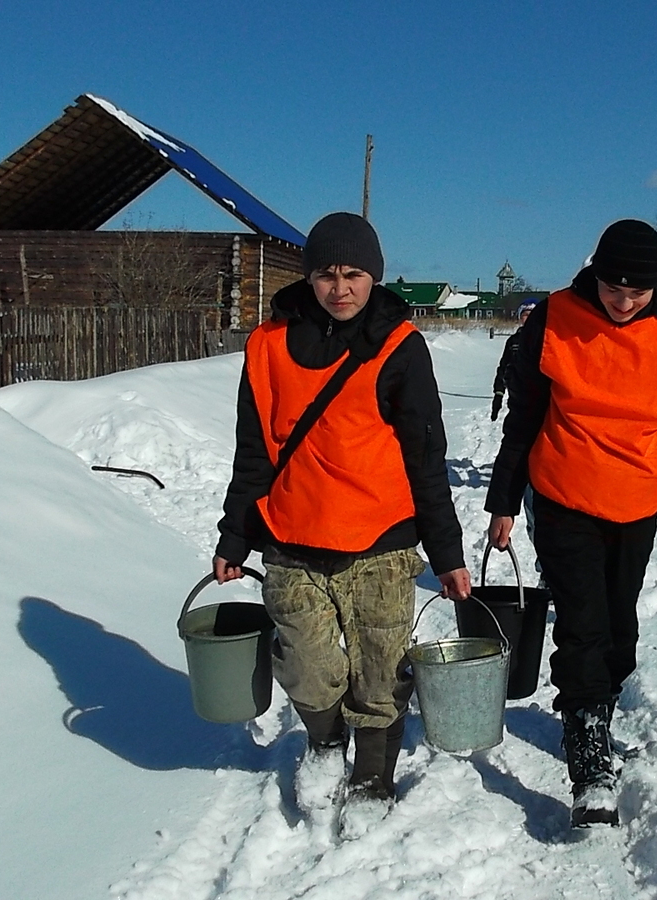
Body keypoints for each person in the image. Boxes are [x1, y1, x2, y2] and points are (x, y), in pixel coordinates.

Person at [484, 219, 657, 828]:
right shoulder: (553, 318)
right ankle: (588, 755)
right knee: (583, 621)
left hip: (635, 500)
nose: (623, 303)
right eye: (611, 289)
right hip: (562, 494)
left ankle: (598, 704)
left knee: (619, 624)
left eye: (637, 293)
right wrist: (503, 502)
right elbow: (523, 420)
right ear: (592, 273)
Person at [214, 212, 472, 811]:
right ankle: (327, 745)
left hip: (381, 543)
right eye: (326, 274)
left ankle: (374, 774)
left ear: (374, 277)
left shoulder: (400, 348)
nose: (340, 288)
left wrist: (447, 554)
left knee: (379, 671)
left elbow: (426, 459)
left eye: (354, 274)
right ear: (309, 277)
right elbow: (253, 452)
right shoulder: (267, 345)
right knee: (306, 665)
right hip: (291, 541)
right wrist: (234, 537)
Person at [491, 299, 538, 421]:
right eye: (525, 315)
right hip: (517, 398)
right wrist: (498, 394)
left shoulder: (546, 340)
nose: (528, 319)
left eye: (532, 315)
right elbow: (503, 368)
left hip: (541, 400)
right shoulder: (513, 341)